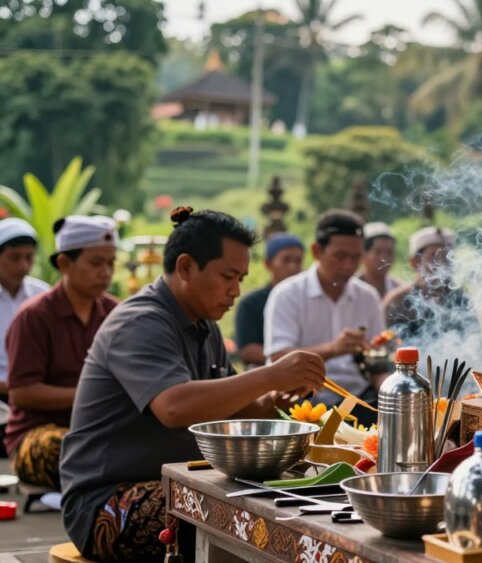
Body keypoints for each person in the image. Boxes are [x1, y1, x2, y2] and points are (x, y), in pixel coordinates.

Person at [60, 207, 326, 562]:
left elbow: (235, 407)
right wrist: (271, 374)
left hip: (178, 481)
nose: (235, 290)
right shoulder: (139, 321)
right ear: (185, 267)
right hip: (106, 500)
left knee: (287, 508)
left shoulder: (204, 326)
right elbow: (174, 408)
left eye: (242, 278)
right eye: (228, 276)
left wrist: (278, 398)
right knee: (249, 527)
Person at [4, 216, 119, 491]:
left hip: (98, 430)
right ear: (64, 264)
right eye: (95, 263)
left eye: (111, 263)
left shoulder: (118, 314)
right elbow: (21, 393)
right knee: (69, 448)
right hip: (38, 432)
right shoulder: (35, 316)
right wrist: (91, 395)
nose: (105, 272)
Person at [264, 209, 385, 415]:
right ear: (316, 251)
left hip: (359, 399)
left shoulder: (368, 297)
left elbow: (379, 361)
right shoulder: (287, 294)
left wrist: (393, 393)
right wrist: (333, 348)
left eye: (355, 257)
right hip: (302, 403)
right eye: (340, 256)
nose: (348, 266)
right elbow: (277, 359)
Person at [383, 226, 475, 343]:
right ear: (415, 262)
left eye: (447, 257)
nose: (441, 263)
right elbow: (384, 345)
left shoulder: (461, 299)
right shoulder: (397, 302)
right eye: (434, 257)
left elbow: (474, 341)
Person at [234, 233, 304, 369]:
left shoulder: (308, 300)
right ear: (268, 263)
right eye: (286, 260)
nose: (293, 267)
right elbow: (247, 350)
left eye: (298, 261)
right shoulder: (251, 303)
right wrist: (287, 359)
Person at [0, 218, 48, 397]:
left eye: (29, 258)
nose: (23, 266)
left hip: (38, 393)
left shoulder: (42, 294)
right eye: (14, 258)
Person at [359, 222, 403, 299]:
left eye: (389, 252)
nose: (384, 258)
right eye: (378, 252)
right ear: (363, 254)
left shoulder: (400, 291)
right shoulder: (349, 290)